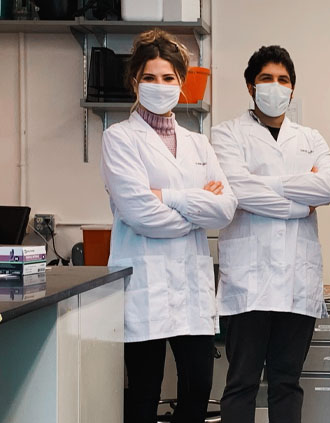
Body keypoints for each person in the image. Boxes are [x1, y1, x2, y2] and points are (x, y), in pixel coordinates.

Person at [100, 29, 238, 423]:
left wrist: (168, 196)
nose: (159, 86)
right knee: (144, 393)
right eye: (149, 77)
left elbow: (225, 209)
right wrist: (197, 204)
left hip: (191, 288)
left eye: (168, 78)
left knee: (197, 392)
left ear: (181, 84)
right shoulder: (119, 138)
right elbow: (139, 212)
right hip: (146, 283)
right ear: (134, 82)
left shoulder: (199, 143)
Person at [211, 45, 330, 423]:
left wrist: (263, 186)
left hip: (297, 280)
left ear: (293, 89)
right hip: (249, 280)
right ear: (251, 86)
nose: (275, 86)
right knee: (241, 383)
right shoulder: (226, 134)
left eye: (283, 80)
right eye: (267, 78)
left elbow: (329, 187)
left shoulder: (310, 138)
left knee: (287, 383)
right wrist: (299, 203)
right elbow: (237, 189)